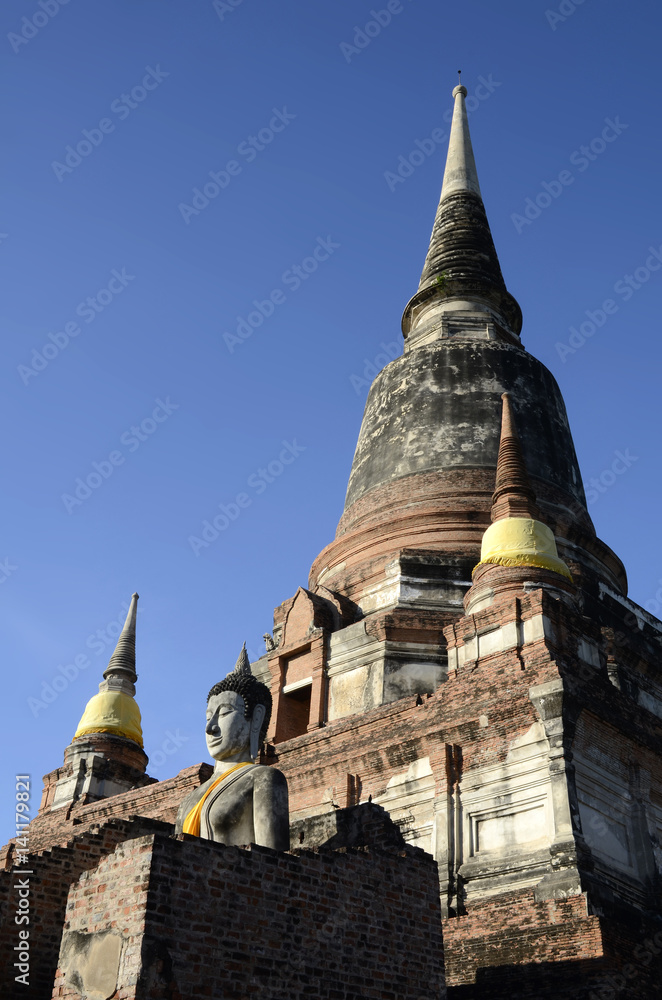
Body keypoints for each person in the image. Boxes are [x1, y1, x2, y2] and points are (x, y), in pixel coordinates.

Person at [175, 643, 289, 849]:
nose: (210, 727)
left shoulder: (262, 779)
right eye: (208, 716)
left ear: (256, 719)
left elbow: (273, 862)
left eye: (225, 713)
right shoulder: (188, 800)